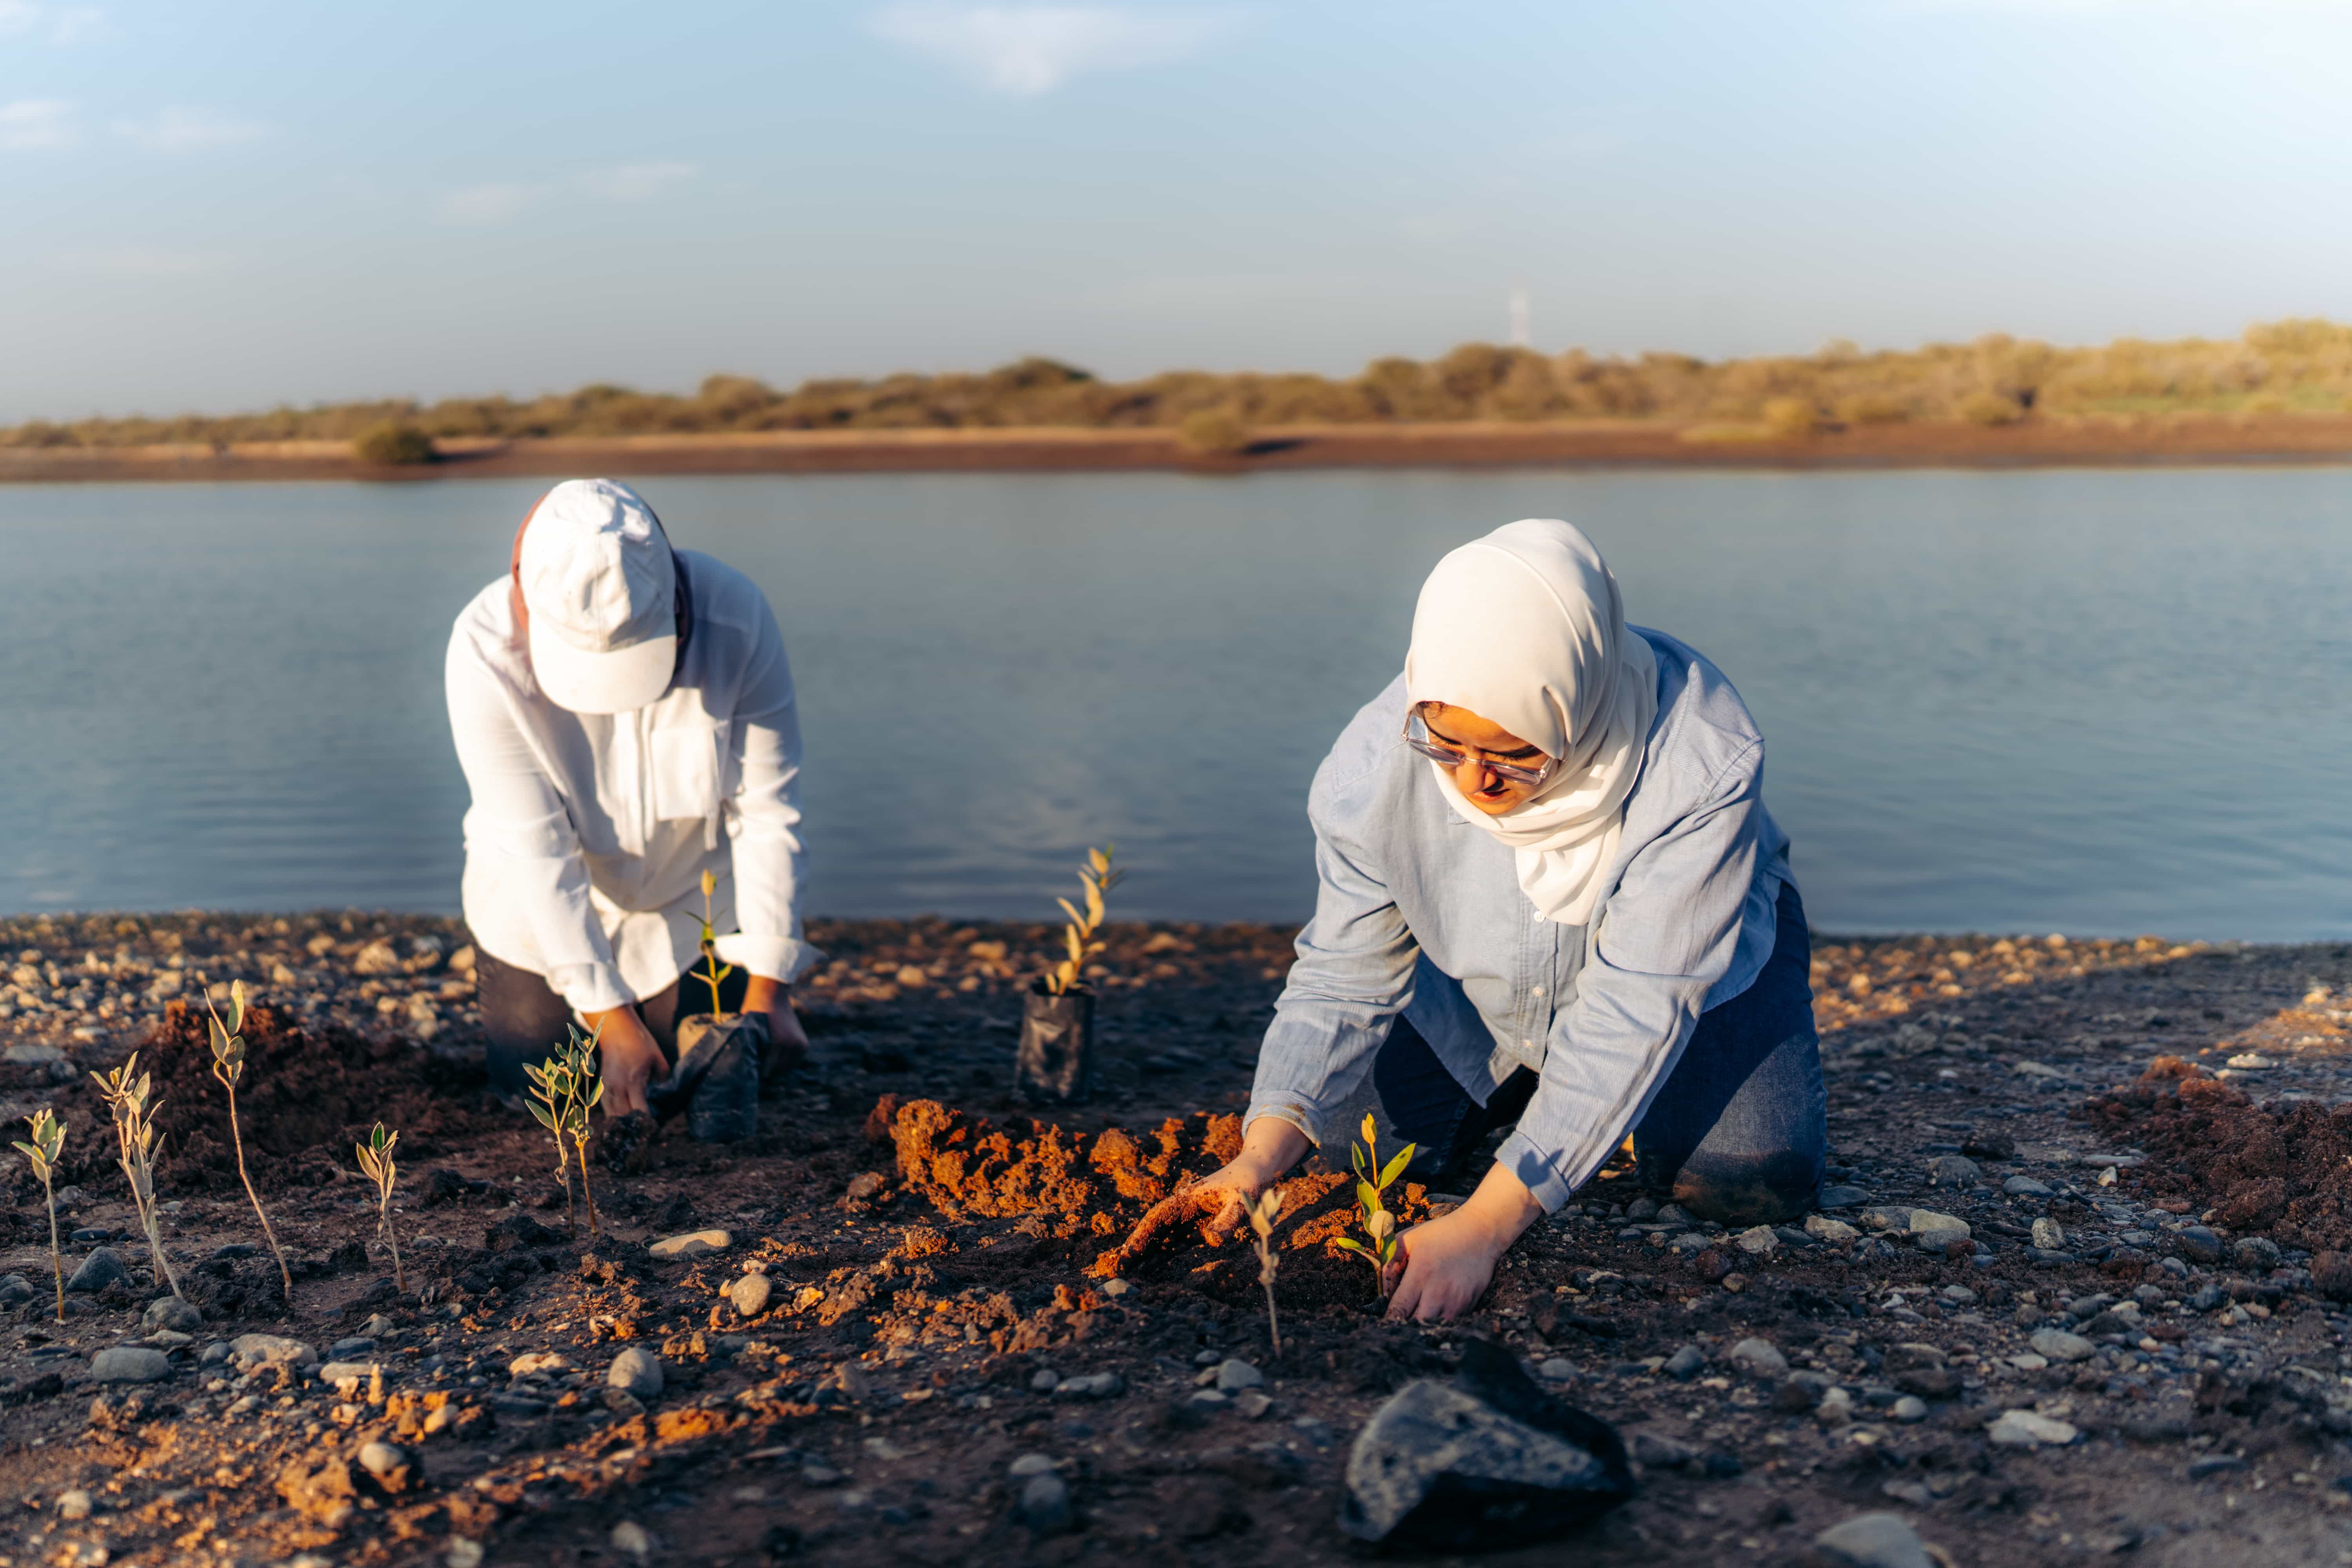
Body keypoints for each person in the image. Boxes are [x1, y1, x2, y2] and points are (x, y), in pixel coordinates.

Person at [1133, 518, 1822, 1321]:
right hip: (1482, 989)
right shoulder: (1373, 764)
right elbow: (1344, 973)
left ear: (1580, 702)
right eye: (1449, 744)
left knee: (1740, 1182)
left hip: (1697, 981)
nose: (1475, 782)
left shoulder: (1701, 757)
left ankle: (1576, 1104)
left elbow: (1641, 1001)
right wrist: (1260, 1154)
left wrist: (1487, 1226)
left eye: (1515, 753)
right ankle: (1542, 1090)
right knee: (1384, 1154)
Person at [445, 477, 817, 1121]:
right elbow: (538, 848)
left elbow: (767, 811)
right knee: (548, 1098)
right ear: (525, 605)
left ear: (676, 600)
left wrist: (771, 986)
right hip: (535, 912)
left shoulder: (738, 615)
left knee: (714, 1077)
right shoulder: (482, 653)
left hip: (687, 909)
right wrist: (608, 1016)